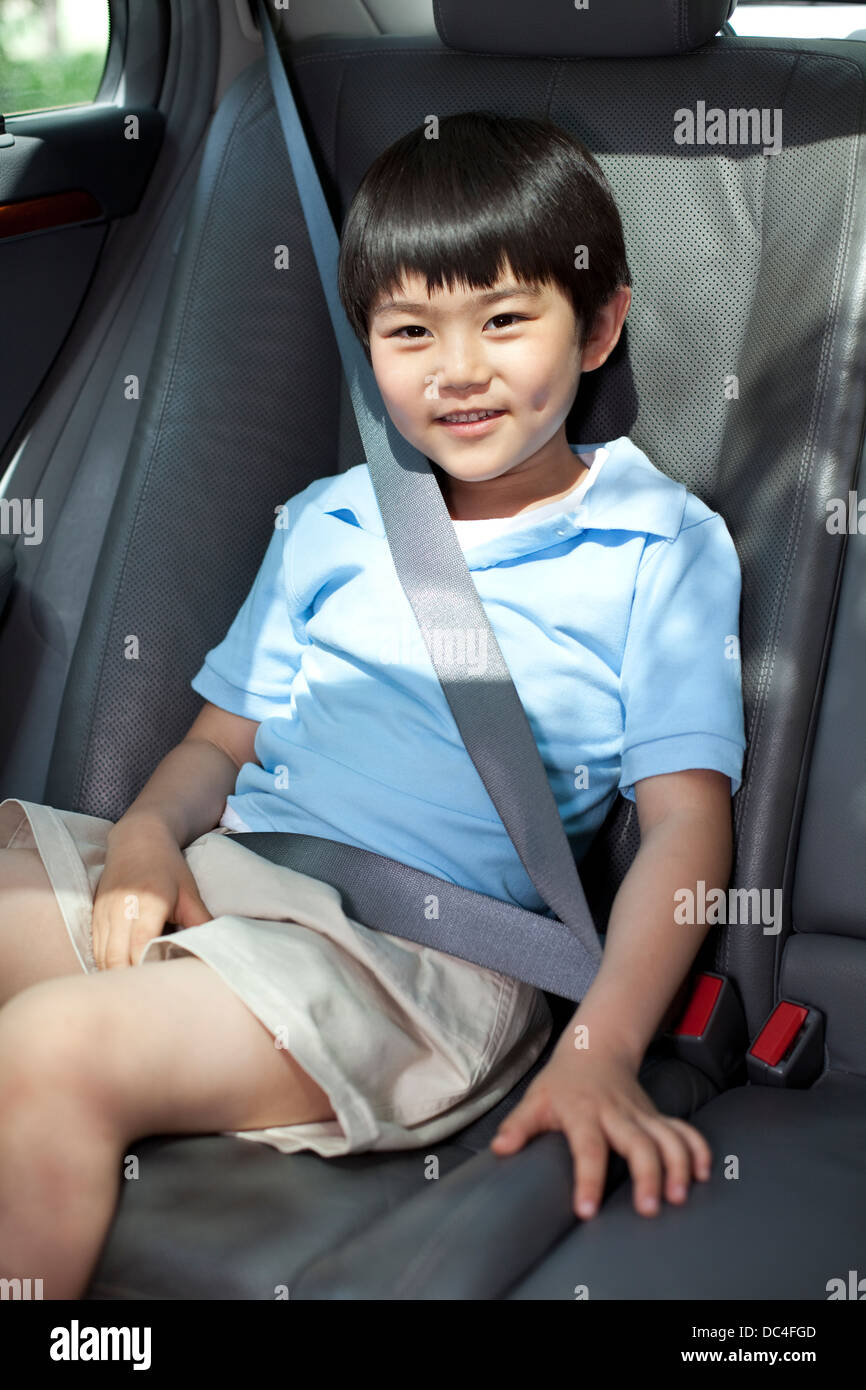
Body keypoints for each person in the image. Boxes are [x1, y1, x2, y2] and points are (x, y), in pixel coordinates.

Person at [0, 110, 746, 1298]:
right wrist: (144, 834)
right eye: (410, 331)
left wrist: (600, 1049)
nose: (457, 369)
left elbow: (684, 828)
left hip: (412, 962)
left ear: (598, 324)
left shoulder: (657, 543)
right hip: (238, 877)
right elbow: (214, 746)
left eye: (504, 319)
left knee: (46, 1045)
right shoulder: (333, 522)